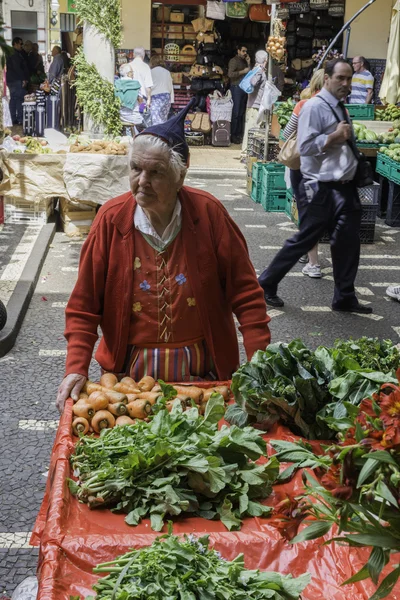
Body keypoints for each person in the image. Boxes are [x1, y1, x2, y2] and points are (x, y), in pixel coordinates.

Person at [55, 99, 271, 412]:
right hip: (127, 386)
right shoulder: (111, 220)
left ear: (180, 176)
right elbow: (84, 304)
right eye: (135, 169)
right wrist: (76, 366)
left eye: (155, 172)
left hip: (203, 378)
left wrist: (259, 367)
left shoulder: (209, 215)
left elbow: (247, 296)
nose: (142, 182)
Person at [258, 58, 372, 315]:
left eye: (349, 79)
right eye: (340, 78)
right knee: (305, 238)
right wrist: (334, 136)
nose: (345, 84)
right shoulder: (314, 108)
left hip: (344, 187)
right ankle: (265, 282)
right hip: (319, 187)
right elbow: (306, 145)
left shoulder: (340, 107)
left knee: (348, 241)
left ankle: (344, 296)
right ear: (327, 78)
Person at [281, 68, 325, 278]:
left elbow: (287, 133)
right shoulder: (339, 109)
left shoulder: (303, 105)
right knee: (316, 212)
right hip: (328, 169)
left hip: (304, 167)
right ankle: (307, 251)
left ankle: (313, 263)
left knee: (308, 212)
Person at [241, 50, 268, 159]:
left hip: (254, 106)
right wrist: (261, 70)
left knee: (251, 130)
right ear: (265, 59)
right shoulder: (258, 70)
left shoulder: (256, 69)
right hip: (254, 107)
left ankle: (247, 154)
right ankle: (245, 155)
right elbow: (253, 82)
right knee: (251, 131)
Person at [228, 44, 250, 145]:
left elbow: (249, 73)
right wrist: (242, 71)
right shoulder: (234, 61)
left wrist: (249, 63)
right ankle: (233, 135)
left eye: (246, 51)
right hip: (236, 88)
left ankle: (239, 134)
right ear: (238, 51)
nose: (245, 53)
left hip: (243, 89)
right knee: (236, 113)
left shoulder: (245, 61)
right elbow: (230, 74)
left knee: (241, 113)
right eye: (243, 51)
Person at [6, 37, 30, 125]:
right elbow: (17, 68)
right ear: (15, 44)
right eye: (20, 44)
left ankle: (13, 118)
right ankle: (19, 118)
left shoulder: (12, 53)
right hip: (16, 79)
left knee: (13, 99)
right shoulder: (14, 54)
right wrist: (23, 79)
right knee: (18, 99)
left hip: (12, 79)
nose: (22, 46)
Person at [115, 63, 143, 130]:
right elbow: (140, 100)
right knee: (144, 119)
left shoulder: (116, 83)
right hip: (134, 117)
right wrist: (143, 111)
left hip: (119, 115)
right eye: (132, 72)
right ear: (129, 73)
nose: (133, 74)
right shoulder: (136, 84)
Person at [149, 56, 174, 125]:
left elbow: (148, 86)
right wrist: (171, 100)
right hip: (166, 97)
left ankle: (156, 134)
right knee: (163, 118)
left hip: (155, 97)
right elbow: (170, 86)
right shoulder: (167, 72)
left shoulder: (151, 72)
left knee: (155, 118)